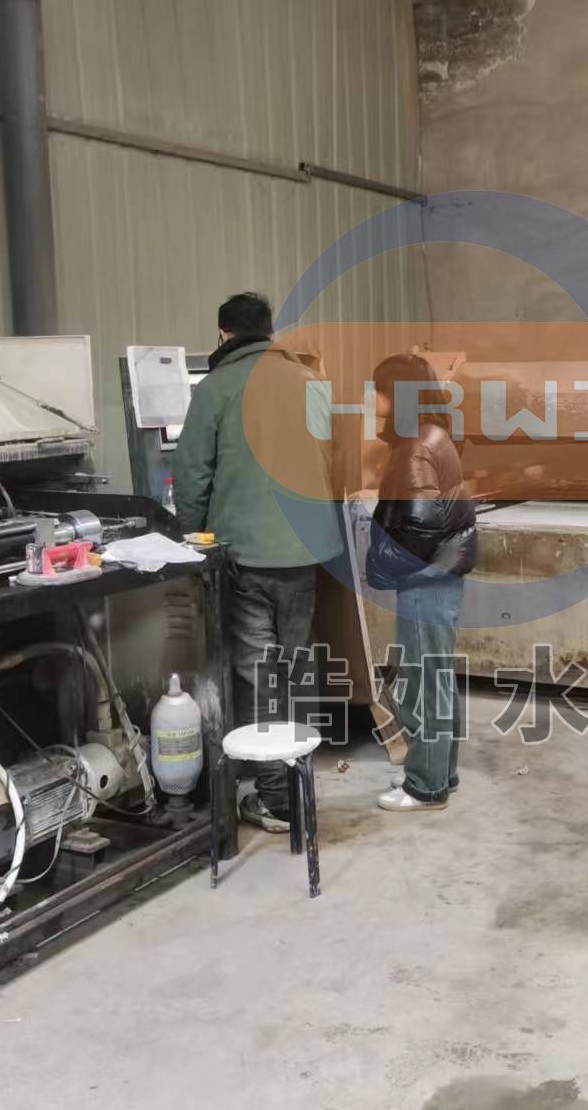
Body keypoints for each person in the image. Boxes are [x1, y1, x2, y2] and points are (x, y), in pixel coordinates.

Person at [172, 292, 342, 833]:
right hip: (304, 552)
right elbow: (332, 459)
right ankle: (298, 782)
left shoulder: (215, 388)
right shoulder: (312, 383)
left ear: (223, 335)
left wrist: (191, 538)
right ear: (271, 333)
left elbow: (191, 475)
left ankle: (275, 800)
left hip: (245, 555)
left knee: (260, 673)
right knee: (297, 667)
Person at [364, 353, 478, 812]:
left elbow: (418, 528)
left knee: (423, 680)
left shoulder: (415, 446)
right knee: (437, 676)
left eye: (379, 390)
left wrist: (381, 563)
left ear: (398, 396)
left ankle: (425, 786)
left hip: (425, 577)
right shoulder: (433, 434)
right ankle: (440, 772)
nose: (373, 399)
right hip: (441, 573)